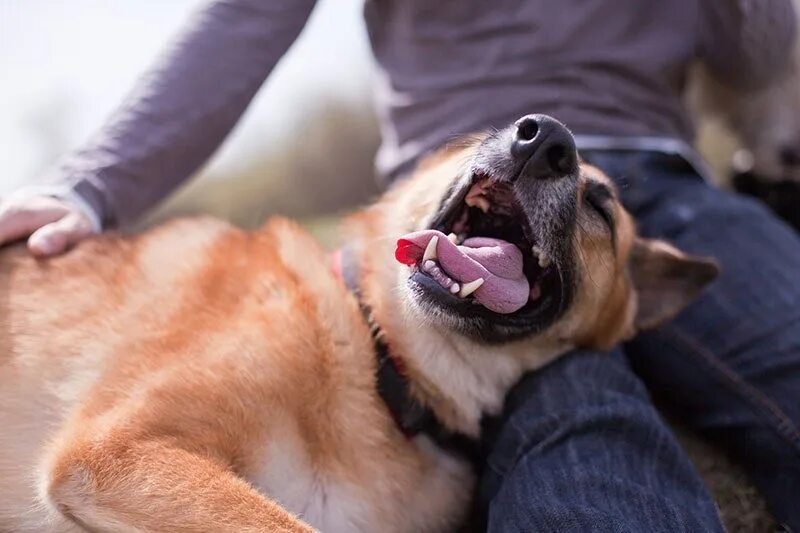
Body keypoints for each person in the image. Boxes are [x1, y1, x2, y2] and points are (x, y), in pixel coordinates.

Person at [3, 1, 799, 530]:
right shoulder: (285, 321)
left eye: (583, 196)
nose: (543, 145)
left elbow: (756, 55)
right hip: (452, 161)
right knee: (581, 412)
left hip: (666, 175)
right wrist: (93, 183)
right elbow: (249, 16)